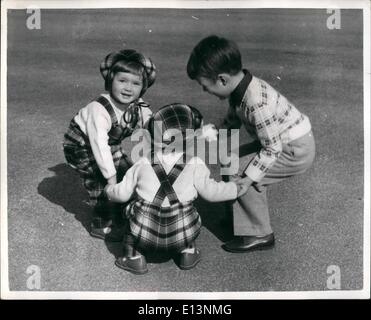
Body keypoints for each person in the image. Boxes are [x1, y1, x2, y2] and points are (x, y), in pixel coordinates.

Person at [186, 35, 316, 253]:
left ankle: (258, 233)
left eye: (205, 86)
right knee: (232, 161)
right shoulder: (241, 88)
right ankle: (241, 220)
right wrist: (211, 132)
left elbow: (272, 148)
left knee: (241, 172)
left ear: (222, 80)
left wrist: (248, 179)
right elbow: (233, 120)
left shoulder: (256, 102)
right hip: (284, 143)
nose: (204, 91)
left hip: (293, 150)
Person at [105, 103, 245, 274]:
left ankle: (134, 258)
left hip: (145, 234)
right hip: (182, 232)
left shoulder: (142, 164)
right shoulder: (195, 164)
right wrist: (234, 188)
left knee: (131, 213)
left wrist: (109, 189)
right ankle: (188, 252)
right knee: (187, 214)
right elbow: (211, 192)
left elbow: (122, 194)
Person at [63, 49, 156, 241]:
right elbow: (99, 145)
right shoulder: (99, 109)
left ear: (143, 88)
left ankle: (122, 209)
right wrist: (111, 178)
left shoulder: (138, 105)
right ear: (110, 80)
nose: (128, 88)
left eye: (136, 83)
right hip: (82, 147)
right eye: (122, 81)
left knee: (127, 172)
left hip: (108, 144)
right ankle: (102, 223)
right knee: (101, 182)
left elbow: (152, 123)